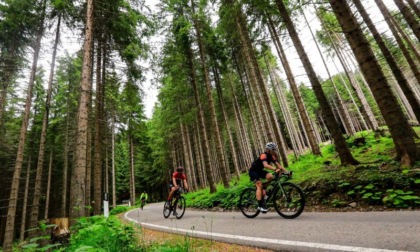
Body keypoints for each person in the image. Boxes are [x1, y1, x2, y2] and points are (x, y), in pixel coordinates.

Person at [249, 142, 288, 213]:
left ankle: (264, 187)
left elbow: (278, 165)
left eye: (275, 149)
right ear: (268, 150)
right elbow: (265, 165)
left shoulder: (272, 157)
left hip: (259, 171)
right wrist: (275, 169)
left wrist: (286, 172)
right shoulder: (264, 155)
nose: (275, 151)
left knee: (270, 176)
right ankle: (260, 205)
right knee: (259, 185)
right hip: (253, 171)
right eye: (273, 150)